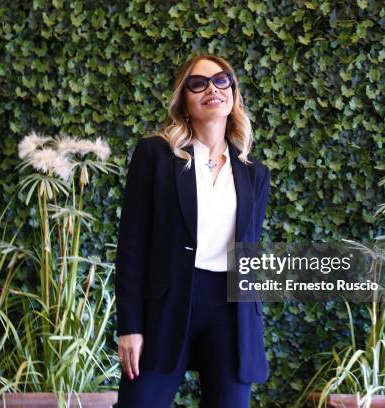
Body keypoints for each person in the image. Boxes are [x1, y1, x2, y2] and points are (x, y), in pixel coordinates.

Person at [114, 54, 271, 408]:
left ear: (233, 92)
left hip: (230, 311)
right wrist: (130, 326)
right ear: (183, 100)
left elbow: (250, 252)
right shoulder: (155, 155)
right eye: (197, 83)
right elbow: (132, 246)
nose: (212, 88)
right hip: (165, 306)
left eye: (221, 80)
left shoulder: (254, 173)